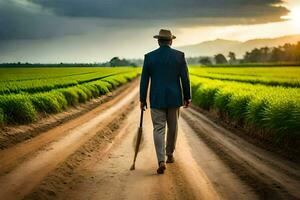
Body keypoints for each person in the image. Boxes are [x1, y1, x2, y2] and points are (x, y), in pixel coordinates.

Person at [140, 29, 191, 174]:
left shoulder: (149, 57)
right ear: (171, 41)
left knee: (158, 128)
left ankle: (160, 159)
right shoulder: (179, 56)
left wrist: (142, 100)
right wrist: (187, 96)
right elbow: (185, 79)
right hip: (174, 98)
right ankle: (169, 154)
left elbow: (144, 81)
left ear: (158, 41)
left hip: (156, 98)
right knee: (173, 127)